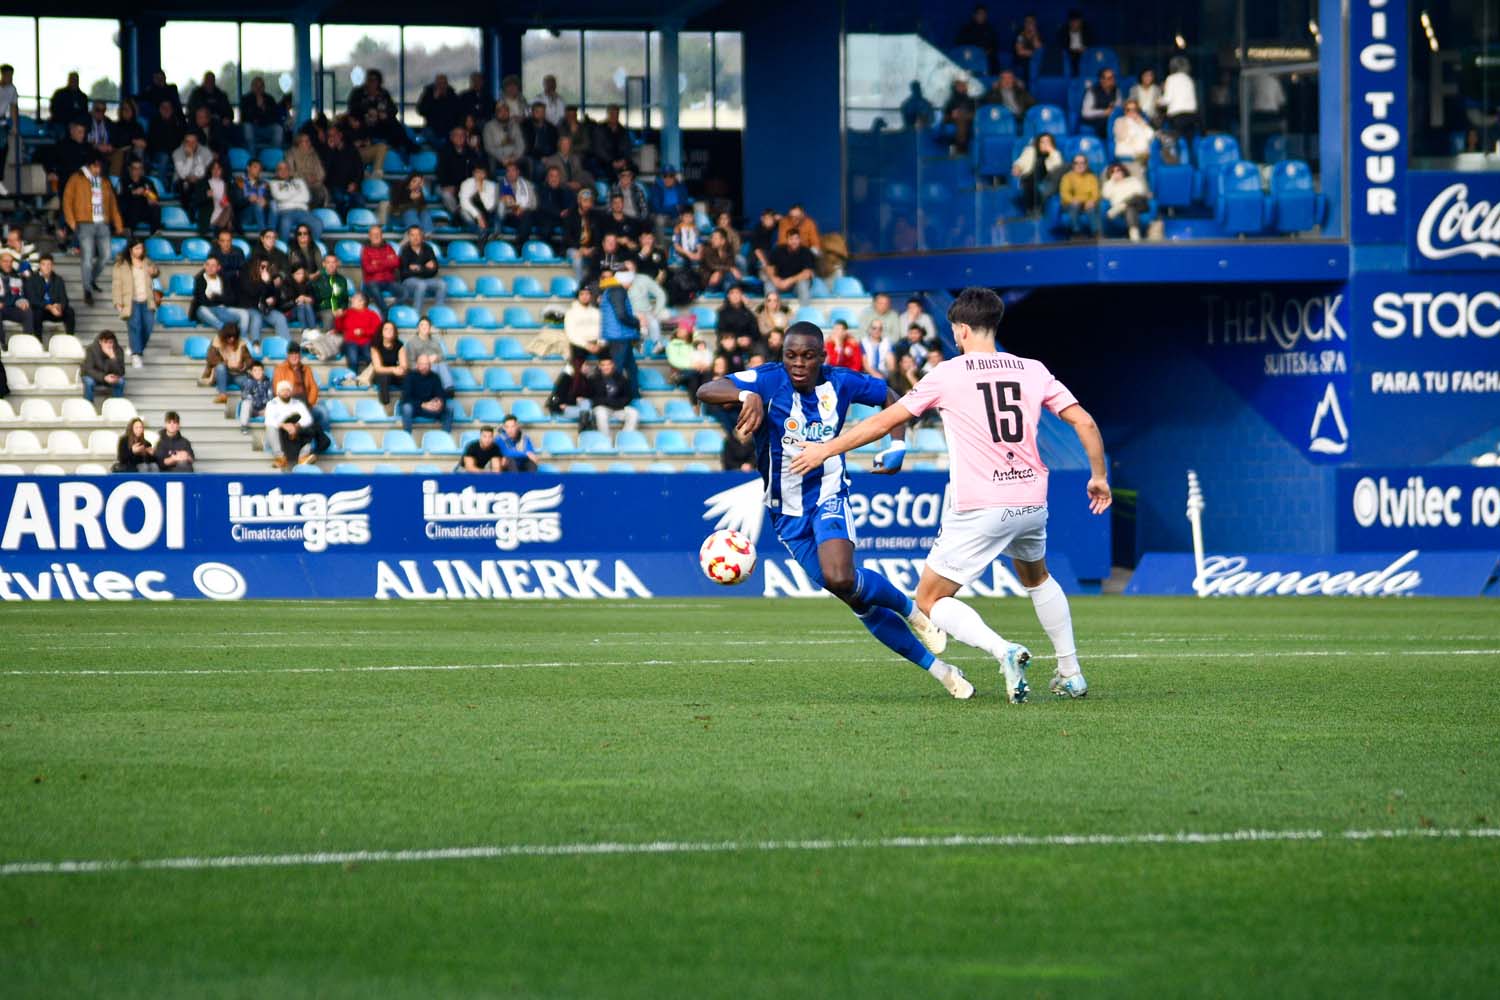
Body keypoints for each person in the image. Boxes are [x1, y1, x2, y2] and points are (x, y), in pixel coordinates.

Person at [791, 287, 1110, 702]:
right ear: (994, 325)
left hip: (981, 504)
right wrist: (1098, 475)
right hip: (1032, 499)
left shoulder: (948, 373)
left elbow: (886, 419)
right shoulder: (1033, 369)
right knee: (1037, 577)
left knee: (929, 599)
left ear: (960, 330)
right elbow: (1084, 422)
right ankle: (1071, 672)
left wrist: (826, 449)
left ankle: (1004, 651)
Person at [696, 323, 955, 695]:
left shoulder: (842, 382)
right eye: (790, 356)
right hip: (785, 512)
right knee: (852, 595)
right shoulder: (767, 380)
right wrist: (743, 396)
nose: (798, 364)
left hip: (829, 494)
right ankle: (941, 672)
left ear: (822, 357)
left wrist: (898, 444)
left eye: (807, 356)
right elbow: (706, 389)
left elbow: (894, 399)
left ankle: (915, 612)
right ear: (782, 356)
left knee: (840, 576)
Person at [62, 156, 123, 306]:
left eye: (100, 167)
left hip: (103, 222)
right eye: (96, 167)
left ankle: (91, 279)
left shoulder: (105, 181)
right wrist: (71, 221)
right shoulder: (77, 179)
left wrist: (118, 224)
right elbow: (67, 200)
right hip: (85, 222)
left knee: (106, 255)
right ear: (90, 166)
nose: (98, 170)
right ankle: (87, 290)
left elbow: (112, 204)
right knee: (87, 258)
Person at [112, 239, 158, 366]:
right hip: (131, 301)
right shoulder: (121, 264)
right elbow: (117, 284)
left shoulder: (147, 262)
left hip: (147, 300)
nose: (140, 251)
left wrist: (154, 271)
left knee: (148, 326)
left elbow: (156, 272)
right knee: (135, 326)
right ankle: (136, 354)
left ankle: (134, 346)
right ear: (130, 250)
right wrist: (117, 302)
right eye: (137, 248)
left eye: (141, 248)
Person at [263, 378, 323, 468]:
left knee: (310, 428)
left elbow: (307, 418)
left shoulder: (297, 403)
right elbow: (269, 420)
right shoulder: (272, 404)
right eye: (282, 390)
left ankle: (303, 457)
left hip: (294, 432)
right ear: (278, 392)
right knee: (270, 426)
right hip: (278, 433)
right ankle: (280, 457)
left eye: (287, 390)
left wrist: (296, 426)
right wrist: (284, 425)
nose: (285, 392)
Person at [598, 270, 641, 393]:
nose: (631, 285)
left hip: (620, 335)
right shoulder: (617, 290)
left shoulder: (612, 290)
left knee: (632, 369)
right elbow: (621, 315)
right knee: (617, 369)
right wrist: (635, 322)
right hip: (619, 335)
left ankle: (634, 397)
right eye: (631, 282)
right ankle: (612, 395)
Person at [400, 353, 453, 434]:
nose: (424, 367)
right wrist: (423, 404)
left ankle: (445, 437)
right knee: (406, 408)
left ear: (430, 365)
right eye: (422, 364)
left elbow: (441, 394)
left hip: (431, 408)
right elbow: (406, 398)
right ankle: (407, 437)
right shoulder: (410, 376)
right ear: (417, 365)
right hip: (416, 408)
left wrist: (439, 402)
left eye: (427, 364)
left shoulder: (435, 377)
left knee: (449, 408)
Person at [269, 160, 321, 244]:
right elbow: (279, 197)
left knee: (317, 223)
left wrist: (287, 195)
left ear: (289, 171)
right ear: (276, 172)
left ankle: (311, 249)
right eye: (280, 169)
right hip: (286, 212)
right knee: (285, 223)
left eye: (286, 169)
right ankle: (283, 249)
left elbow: (306, 198)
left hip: (303, 212)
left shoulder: (299, 181)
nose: (283, 171)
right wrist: (296, 191)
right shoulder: (273, 183)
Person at [398, 226, 445, 315]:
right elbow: (404, 273)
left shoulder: (428, 248)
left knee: (442, 284)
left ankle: (439, 314)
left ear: (422, 236)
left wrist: (418, 268)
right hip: (408, 282)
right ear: (409, 237)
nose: (415, 238)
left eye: (418, 235)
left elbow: (434, 270)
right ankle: (416, 315)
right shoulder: (404, 250)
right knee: (421, 285)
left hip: (425, 280)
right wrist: (425, 268)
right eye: (412, 235)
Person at [1012, 132, 1063, 214]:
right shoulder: (1031, 151)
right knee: (1030, 181)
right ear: (1038, 143)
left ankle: (1040, 208)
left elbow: (1058, 169)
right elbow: (1022, 161)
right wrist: (1017, 167)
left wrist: (1052, 152)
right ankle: (1031, 208)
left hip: (1048, 179)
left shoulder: (1055, 153)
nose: (1045, 144)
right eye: (1042, 142)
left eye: (1048, 142)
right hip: (1031, 178)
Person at [588, 355, 639, 434]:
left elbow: (628, 397)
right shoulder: (593, 379)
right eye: (603, 365)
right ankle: (606, 441)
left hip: (618, 408)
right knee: (600, 414)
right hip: (602, 408)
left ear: (613, 365)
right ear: (599, 366)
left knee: (633, 413)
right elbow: (593, 398)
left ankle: (625, 438)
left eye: (608, 364)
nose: (606, 367)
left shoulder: (621, 378)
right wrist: (608, 402)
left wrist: (617, 404)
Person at [26, 254, 73, 340]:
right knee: (37, 313)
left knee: (70, 311)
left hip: (55, 310)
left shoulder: (58, 279)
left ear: (52, 266)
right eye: (44, 264)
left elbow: (64, 298)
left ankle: (70, 339)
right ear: (40, 266)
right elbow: (33, 299)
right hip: (42, 309)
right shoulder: (32, 279)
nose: (47, 267)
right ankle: (38, 341)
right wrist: (48, 307)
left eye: (49, 265)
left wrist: (59, 306)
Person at [321, 125, 365, 216]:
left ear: (340, 135)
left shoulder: (351, 150)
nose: (332, 138)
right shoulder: (326, 151)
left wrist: (355, 183)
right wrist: (330, 151)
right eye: (330, 136)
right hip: (335, 186)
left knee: (359, 200)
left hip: (352, 185)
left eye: (334, 135)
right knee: (340, 198)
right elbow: (325, 170)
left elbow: (359, 169)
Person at [1101, 162, 1151, 241]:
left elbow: (1140, 192)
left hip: (1140, 204)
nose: (1116, 173)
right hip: (1125, 210)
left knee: (1136, 198)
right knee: (1130, 208)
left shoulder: (1133, 180)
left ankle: (1122, 206)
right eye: (1113, 172)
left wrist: (1126, 201)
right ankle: (1134, 235)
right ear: (1110, 174)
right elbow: (1106, 195)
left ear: (1123, 171)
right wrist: (1112, 181)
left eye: (1118, 170)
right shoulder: (1109, 184)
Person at [766, 229, 816, 308]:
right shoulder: (778, 250)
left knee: (803, 284)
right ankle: (771, 311)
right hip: (780, 283)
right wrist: (775, 280)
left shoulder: (806, 252)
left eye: (796, 239)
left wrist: (789, 281)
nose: (794, 241)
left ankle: (805, 311)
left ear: (800, 240)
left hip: (795, 285)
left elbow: (807, 274)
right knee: (769, 284)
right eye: (791, 239)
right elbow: (769, 268)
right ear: (787, 240)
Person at [360, 225, 402, 315]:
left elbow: (396, 262)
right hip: (372, 282)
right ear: (370, 236)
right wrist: (387, 261)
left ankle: (390, 308)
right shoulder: (365, 250)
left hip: (388, 281)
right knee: (373, 288)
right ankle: (384, 310)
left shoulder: (388, 247)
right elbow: (368, 268)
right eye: (374, 234)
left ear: (382, 235)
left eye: (378, 234)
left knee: (404, 293)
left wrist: (378, 263)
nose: (376, 236)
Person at [337, 291, 381, 373]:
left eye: (355, 298)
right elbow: (339, 328)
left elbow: (377, 330)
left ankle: (370, 377)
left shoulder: (372, 314)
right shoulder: (347, 313)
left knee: (369, 357)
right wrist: (339, 317)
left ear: (362, 302)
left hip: (366, 341)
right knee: (353, 359)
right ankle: (352, 379)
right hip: (350, 341)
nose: (352, 300)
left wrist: (363, 331)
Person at [457, 162, 501, 240]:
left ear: (486, 174)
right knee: (462, 211)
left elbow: (489, 207)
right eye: (477, 172)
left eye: (482, 172)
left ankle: (490, 232)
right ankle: (482, 232)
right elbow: (464, 202)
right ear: (473, 173)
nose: (479, 175)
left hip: (486, 215)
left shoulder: (492, 186)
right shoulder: (466, 183)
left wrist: (481, 191)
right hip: (473, 216)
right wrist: (478, 216)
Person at [1059, 153, 1100, 236]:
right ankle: (1076, 233)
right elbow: (1064, 193)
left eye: (1082, 163)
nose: (1079, 165)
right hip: (1071, 203)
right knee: (1075, 206)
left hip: (1086, 202)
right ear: (1073, 165)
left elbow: (1096, 193)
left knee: (1091, 208)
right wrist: (1072, 200)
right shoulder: (1067, 177)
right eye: (1076, 163)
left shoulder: (1092, 177)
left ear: (1086, 164)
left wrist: (1092, 201)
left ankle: (1096, 233)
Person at [240, 76, 284, 153]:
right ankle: (252, 159)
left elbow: (275, 117)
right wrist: (257, 108)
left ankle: (273, 155)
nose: (258, 88)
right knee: (247, 127)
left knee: (278, 129)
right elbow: (245, 118)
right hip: (253, 129)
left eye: (261, 86)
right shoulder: (246, 99)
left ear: (264, 87)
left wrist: (264, 110)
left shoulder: (270, 99)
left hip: (267, 128)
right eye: (256, 86)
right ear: (252, 87)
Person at [81, 330, 126, 402]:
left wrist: (113, 358)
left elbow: (121, 371)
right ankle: (88, 405)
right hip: (93, 376)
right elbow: (89, 370)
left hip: (109, 376)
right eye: (105, 342)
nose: (108, 345)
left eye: (110, 342)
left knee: (120, 381)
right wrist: (104, 377)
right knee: (89, 382)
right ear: (100, 342)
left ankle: (116, 405)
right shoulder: (91, 349)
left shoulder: (118, 350)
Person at [1112, 99, 1155, 176]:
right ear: (1125, 111)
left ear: (1138, 111)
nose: (1132, 112)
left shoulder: (1142, 121)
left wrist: (1141, 123)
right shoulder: (1119, 121)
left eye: (1134, 109)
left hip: (1144, 156)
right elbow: (1120, 136)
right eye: (1128, 110)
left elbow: (1151, 135)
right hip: (1128, 153)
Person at [1162, 56, 1200, 141]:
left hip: (1177, 116)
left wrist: (1158, 101)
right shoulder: (1189, 79)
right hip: (1192, 115)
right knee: (1189, 141)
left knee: (1177, 141)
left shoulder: (1171, 79)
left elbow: (1167, 100)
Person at [0, 253, 36, 341]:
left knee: (27, 311)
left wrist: (22, 301)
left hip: (11, 308)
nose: (8, 264)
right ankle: (2, 343)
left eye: (10, 262)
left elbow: (19, 294)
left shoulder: (16, 276)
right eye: (5, 261)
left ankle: (27, 341)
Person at [417, 74, 462, 145]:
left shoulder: (452, 96)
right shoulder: (428, 95)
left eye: (444, 83)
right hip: (432, 128)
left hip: (448, 129)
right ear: (435, 85)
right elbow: (421, 111)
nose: (441, 86)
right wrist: (433, 99)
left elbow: (458, 113)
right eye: (439, 84)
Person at [564, 285, 603, 363]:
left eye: (587, 294)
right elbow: (571, 334)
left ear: (591, 296)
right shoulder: (571, 313)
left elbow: (603, 330)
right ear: (578, 296)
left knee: (610, 353)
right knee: (577, 354)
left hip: (596, 343)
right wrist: (586, 345)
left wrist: (600, 343)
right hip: (580, 344)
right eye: (582, 294)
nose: (585, 296)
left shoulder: (597, 312)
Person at [369, 320, 406, 405]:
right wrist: (393, 369)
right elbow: (378, 368)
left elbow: (404, 365)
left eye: (391, 329)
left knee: (409, 376)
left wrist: (401, 370)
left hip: (394, 373)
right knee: (384, 377)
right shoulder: (375, 345)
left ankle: (405, 402)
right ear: (381, 332)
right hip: (380, 373)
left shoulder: (399, 345)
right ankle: (386, 404)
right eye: (386, 329)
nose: (389, 331)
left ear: (394, 332)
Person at [1080, 68, 1120, 140]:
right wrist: (1104, 112)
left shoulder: (1116, 90)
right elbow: (1085, 113)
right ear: (1102, 80)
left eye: (1113, 77)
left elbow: (1118, 106)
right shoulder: (1092, 91)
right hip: (1094, 119)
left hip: (1110, 118)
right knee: (1107, 123)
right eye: (1109, 78)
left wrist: (1113, 111)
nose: (1112, 80)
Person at [314, 253, 351, 330]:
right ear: (324, 264)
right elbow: (318, 299)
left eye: (334, 262)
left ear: (337, 263)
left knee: (353, 315)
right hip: (322, 309)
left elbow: (345, 298)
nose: (331, 265)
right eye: (328, 262)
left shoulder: (342, 279)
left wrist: (341, 309)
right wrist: (333, 309)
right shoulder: (317, 279)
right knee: (329, 315)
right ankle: (326, 339)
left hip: (338, 310)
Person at [941, 78, 977, 154]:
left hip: (968, 117)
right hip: (952, 118)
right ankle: (961, 147)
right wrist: (952, 113)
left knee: (967, 116)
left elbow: (974, 112)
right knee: (961, 117)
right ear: (956, 87)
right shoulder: (952, 99)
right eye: (960, 85)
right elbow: (947, 113)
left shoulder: (970, 99)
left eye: (964, 85)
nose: (962, 87)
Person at [237, 360, 273, 433]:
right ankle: (244, 426)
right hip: (252, 409)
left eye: (259, 370)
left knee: (272, 406)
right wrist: (257, 412)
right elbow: (245, 395)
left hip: (264, 409)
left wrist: (266, 407)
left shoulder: (268, 382)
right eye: (255, 370)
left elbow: (270, 396)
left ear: (263, 371)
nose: (257, 372)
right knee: (246, 403)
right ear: (251, 372)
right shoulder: (248, 382)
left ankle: (270, 429)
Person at [49, 72, 89, 136]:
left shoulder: (83, 97)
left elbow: (84, 113)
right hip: (61, 123)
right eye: (72, 80)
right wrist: (68, 123)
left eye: (75, 80)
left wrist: (76, 123)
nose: (74, 82)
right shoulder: (60, 94)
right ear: (68, 80)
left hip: (77, 125)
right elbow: (54, 110)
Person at [1056, 9, 1092, 76]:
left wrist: (1085, 48)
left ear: (1081, 22)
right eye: (1072, 22)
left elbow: (1092, 44)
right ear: (1069, 22)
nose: (1074, 24)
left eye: (1077, 21)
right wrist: (1073, 50)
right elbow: (1061, 46)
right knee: (1072, 59)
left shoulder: (1087, 31)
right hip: (1069, 55)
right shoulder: (1063, 32)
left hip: (1085, 54)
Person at [283, 264, 318, 330]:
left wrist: (310, 299)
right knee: (301, 305)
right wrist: (296, 301)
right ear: (293, 275)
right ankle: (305, 330)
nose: (301, 275)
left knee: (307, 305)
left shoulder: (307, 283)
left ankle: (313, 330)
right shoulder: (287, 284)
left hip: (306, 309)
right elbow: (284, 304)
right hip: (291, 311)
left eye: (302, 273)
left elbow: (314, 299)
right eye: (298, 274)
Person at [1013, 14, 1044, 80]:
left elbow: (1039, 50)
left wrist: (1034, 35)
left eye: (1031, 22)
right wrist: (1033, 53)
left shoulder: (1039, 34)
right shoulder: (1020, 34)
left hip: (1036, 62)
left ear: (1035, 23)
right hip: (1022, 61)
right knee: (1026, 67)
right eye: (1027, 22)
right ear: (1024, 23)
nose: (1029, 24)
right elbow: (1020, 52)